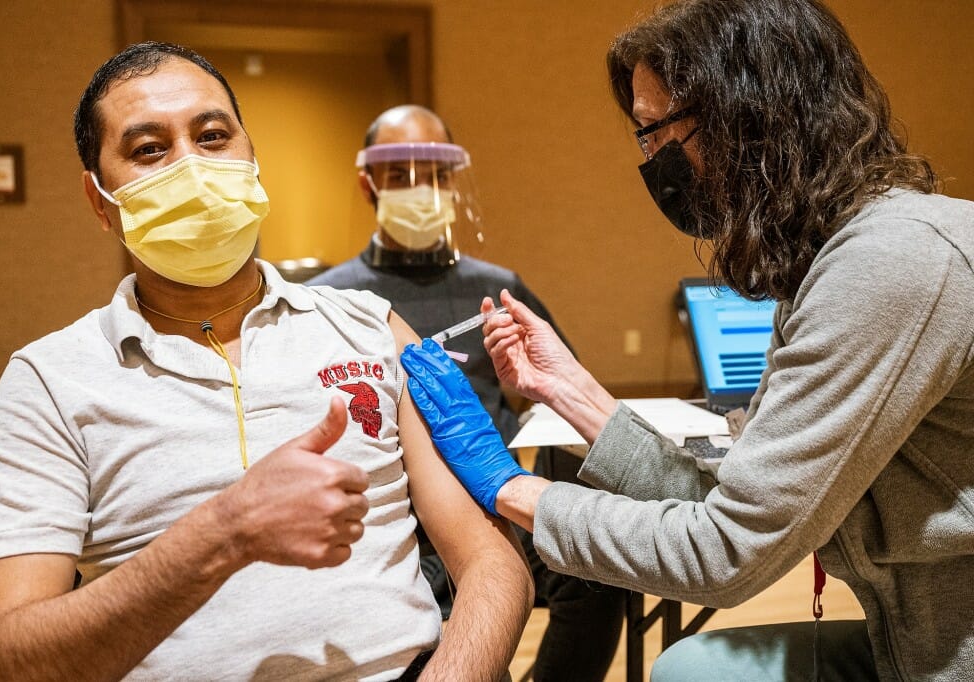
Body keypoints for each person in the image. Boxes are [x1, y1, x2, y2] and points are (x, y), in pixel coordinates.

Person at [400, 0, 974, 680]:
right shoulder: (836, 262)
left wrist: (505, 486)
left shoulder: (892, 263)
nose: (654, 165)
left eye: (657, 134)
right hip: (908, 638)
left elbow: (724, 550)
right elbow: (735, 496)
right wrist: (569, 390)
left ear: (750, 113)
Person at [0, 41, 533, 681]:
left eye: (212, 136)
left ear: (251, 160)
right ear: (101, 201)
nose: (191, 168)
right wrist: (223, 533)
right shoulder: (49, 382)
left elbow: (492, 563)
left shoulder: (370, 329)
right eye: (149, 149)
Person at [308, 105, 626, 681]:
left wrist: (526, 387)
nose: (421, 189)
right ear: (368, 184)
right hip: (397, 522)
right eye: (400, 174)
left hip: (503, 503)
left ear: (453, 183)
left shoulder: (495, 286)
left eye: (435, 174)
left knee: (597, 575)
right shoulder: (330, 302)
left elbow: (560, 391)